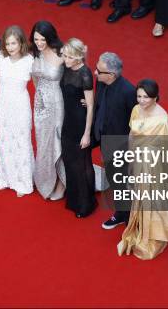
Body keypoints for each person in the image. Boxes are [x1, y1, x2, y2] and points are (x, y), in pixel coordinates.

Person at [118, 79, 168, 260]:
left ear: (156, 98)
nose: (141, 100)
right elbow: (132, 134)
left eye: (146, 97)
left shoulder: (163, 120)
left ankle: (155, 235)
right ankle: (142, 227)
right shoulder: (135, 110)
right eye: (139, 96)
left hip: (155, 166)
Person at [92, 53, 136, 230]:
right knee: (114, 179)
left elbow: (136, 120)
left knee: (124, 182)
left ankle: (130, 219)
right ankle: (120, 214)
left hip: (121, 144)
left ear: (112, 75)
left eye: (99, 71)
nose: (95, 73)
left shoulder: (128, 91)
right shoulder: (101, 82)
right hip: (104, 139)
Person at [0, 26, 35, 196]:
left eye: (14, 43)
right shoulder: (0, 58)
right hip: (3, 105)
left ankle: (23, 182)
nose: (10, 47)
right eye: (7, 43)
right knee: (4, 140)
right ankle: (5, 177)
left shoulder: (30, 60)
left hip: (21, 105)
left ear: (21, 42)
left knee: (21, 140)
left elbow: (38, 86)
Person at [30, 21, 66, 200]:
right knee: (43, 142)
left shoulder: (62, 53)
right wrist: (40, 96)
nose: (39, 43)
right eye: (36, 39)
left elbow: (77, 76)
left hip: (58, 103)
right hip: (40, 103)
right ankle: (46, 179)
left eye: (42, 39)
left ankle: (61, 183)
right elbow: (35, 79)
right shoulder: (34, 52)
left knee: (57, 141)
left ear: (50, 37)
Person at [60, 38, 96, 217]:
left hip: (81, 123)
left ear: (79, 58)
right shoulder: (66, 68)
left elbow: (90, 106)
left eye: (68, 56)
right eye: (64, 55)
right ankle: (74, 197)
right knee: (69, 160)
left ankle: (86, 203)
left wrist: (87, 134)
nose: (64, 59)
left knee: (82, 163)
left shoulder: (85, 74)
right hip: (68, 120)